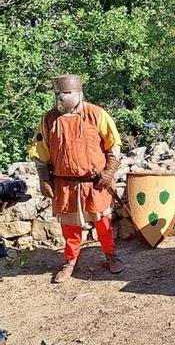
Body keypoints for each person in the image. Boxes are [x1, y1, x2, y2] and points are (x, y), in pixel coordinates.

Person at [28, 74, 125, 283]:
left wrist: (109, 172)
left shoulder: (97, 114)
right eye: (58, 93)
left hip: (96, 182)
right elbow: (40, 152)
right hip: (65, 184)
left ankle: (110, 255)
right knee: (70, 227)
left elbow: (114, 145)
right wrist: (44, 179)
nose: (61, 97)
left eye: (66, 92)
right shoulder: (48, 119)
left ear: (77, 92)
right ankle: (70, 260)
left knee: (103, 223)